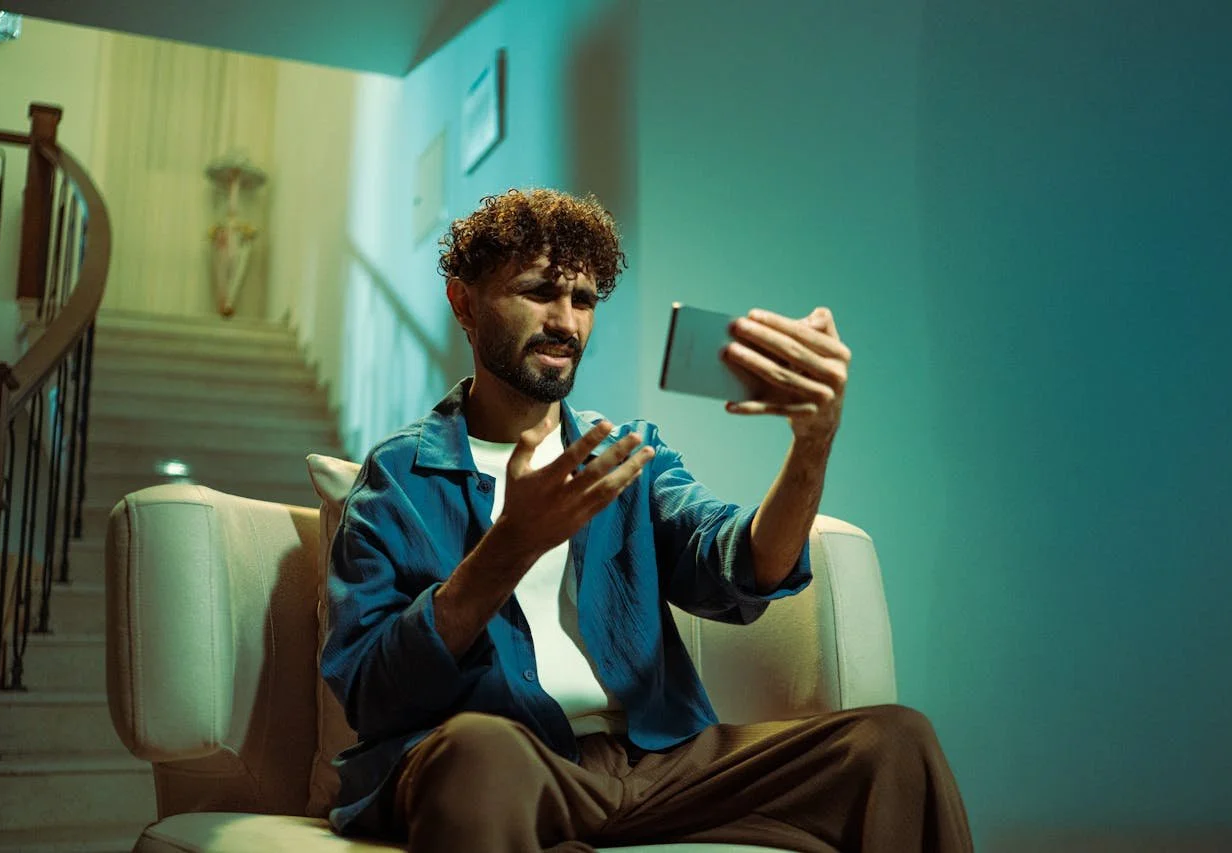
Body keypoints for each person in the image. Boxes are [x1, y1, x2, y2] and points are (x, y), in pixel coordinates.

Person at [322, 188, 972, 852]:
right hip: (512, 762)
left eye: (583, 300)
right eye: (539, 292)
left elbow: (742, 565)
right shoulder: (397, 478)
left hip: (661, 766)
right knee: (475, 752)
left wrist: (813, 445)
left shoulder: (627, 457)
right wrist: (510, 545)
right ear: (464, 303)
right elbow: (371, 690)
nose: (565, 323)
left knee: (894, 744)